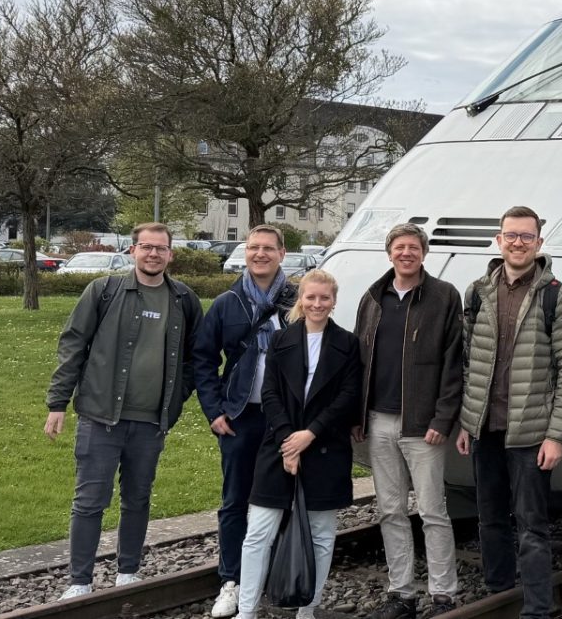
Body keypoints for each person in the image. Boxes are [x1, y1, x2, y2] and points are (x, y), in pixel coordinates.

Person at [44, 222, 204, 600]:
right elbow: (73, 346)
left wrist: (176, 400)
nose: (153, 254)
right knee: (89, 501)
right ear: (132, 251)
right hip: (101, 419)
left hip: (150, 423)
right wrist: (58, 403)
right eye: (146, 247)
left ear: (170, 254)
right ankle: (80, 581)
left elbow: (195, 360)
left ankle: (128, 571)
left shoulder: (184, 300)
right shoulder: (103, 291)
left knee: (138, 498)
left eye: (160, 248)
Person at [455, 205, 562, 619]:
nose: (518, 243)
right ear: (499, 239)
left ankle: (537, 608)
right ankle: (499, 593)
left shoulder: (555, 295)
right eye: (511, 235)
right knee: (490, 517)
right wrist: (465, 420)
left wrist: (556, 435)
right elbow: (466, 360)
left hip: (530, 434)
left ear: (539, 243)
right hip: (485, 428)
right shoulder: (477, 291)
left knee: (532, 526)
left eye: (527, 236)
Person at [233, 270, 363, 619]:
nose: (317, 304)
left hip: (326, 448)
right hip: (279, 444)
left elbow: (349, 397)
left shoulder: (348, 344)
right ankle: (246, 612)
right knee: (258, 533)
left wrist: (311, 434)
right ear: (300, 300)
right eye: (311, 297)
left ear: (333, 302)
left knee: (321, 536)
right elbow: (270, 392)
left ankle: (308, 611)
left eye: (324, 298)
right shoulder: (280, 341)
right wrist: (290, 442)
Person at [354, 223, 466, 619]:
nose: (406, 253)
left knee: (433, 511)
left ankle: (443, 595)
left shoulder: (444, 297)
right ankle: (401, 593)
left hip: (423, 426)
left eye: (413, 247)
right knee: (390, 511)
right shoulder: (373, 297)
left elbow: (455, 364)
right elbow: (359, 362)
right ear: (389, 253)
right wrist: (358, 415)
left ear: (423, 253)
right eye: (399, 247)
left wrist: (444, 417)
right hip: (379, 421)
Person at [192, 225, 297, 618]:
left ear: (282, 254)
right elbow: (203, 359)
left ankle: (276, 575)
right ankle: (232, 580)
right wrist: (214, 410)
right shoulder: (227, 303)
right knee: (236, 500)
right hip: (241, 415)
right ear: (245, 253)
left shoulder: (300, 300)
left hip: (285, 418)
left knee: (283, 497)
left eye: (268, 248)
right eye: (253, 248)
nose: (260, 254)